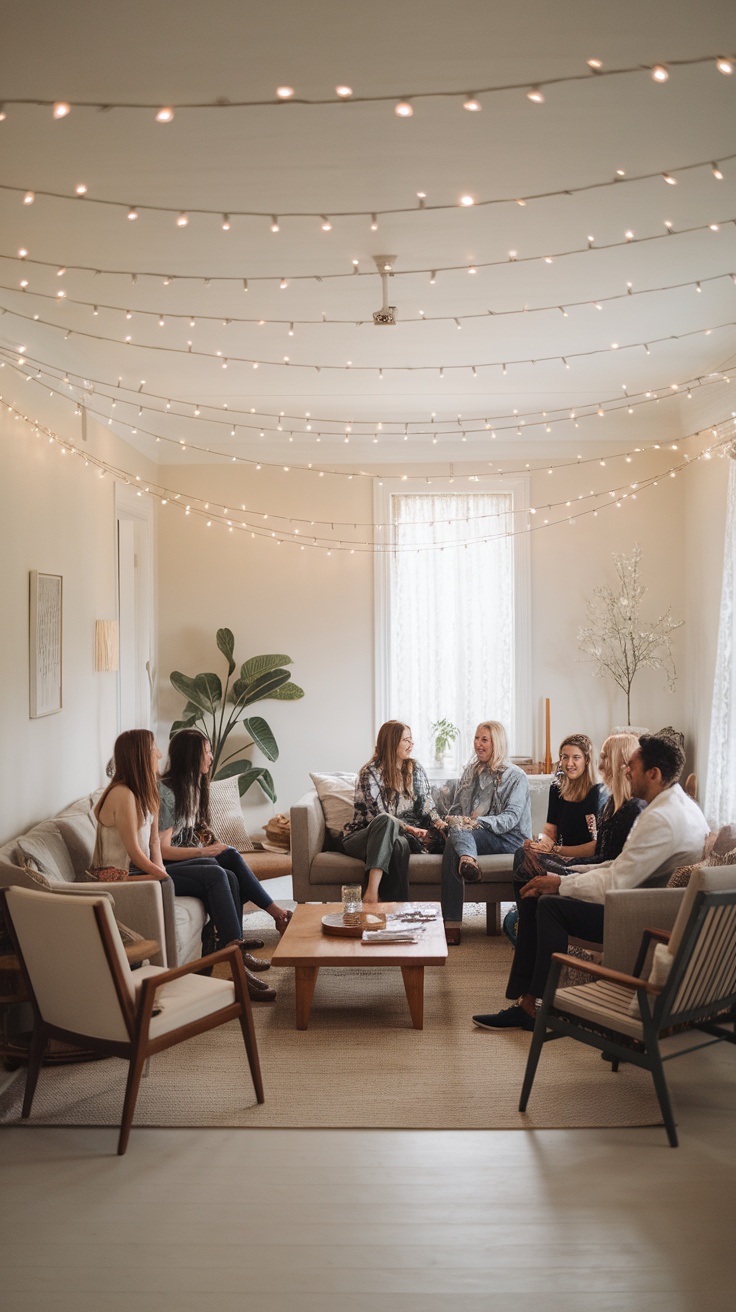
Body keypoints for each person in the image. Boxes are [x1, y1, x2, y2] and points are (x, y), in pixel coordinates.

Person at [472, 733, 710, 1032]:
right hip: (646, 904)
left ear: (654, 773)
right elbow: (618, 866)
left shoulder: (660, 817)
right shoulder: (681, 806)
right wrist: (564, 877)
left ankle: (535, 1008)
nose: (626, 771)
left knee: (547, 905)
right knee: (539, 894)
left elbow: (616, 880)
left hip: (638, 918)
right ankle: (528, 1003)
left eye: (632, 766)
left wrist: (560, 883)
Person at [157, 728, 294, 1001]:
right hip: (168, 865)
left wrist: (211, 845)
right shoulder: (168, 793)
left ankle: (240, 955)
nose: (210, 757)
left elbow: (198, 829)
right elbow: (161, 851)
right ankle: (254, 943)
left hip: (189, 857)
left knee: (230, 864)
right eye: (206, 752)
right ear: (191, 756)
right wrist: (204, 852)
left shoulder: (196, 785)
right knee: (221, 873)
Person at [441, 721, 531, 945]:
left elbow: (511, 819)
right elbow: (456, 809)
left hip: (510, 838)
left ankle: (451, 925)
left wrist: (475, 822)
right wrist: (450, 820)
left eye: (484, 740)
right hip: (475, 834)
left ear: (496, 744)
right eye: (476, 738)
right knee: (455, 833)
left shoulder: (516, 776)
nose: (478, 744)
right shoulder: (471, 772)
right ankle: (467, 859)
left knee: (458, 834)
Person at [340, 720, 447, 903]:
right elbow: (378, 816)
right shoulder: (370, 772)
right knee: (386, 822)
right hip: (365, 836)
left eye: (411, 740)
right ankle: (372, 893)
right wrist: (412, 829)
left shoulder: (415, 769)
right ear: (392, 742)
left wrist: (438, 822)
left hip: (400, 836)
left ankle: (395, 910)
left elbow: (426, 803)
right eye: (406, 740)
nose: (411, 744)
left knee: (399, 845)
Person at [513, 733, 606, 876]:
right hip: (560, 856)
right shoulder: (556, 789)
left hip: (585, 862)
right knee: (523, 853)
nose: (569, 764)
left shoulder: (597, 791)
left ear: (587, 760)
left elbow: (595, 847)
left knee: (530, 863)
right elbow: (550, 832)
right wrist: (540, 844)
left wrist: (555, 850)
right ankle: (534, 897)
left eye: (576, 757)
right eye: (564, 757)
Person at [93, 729, 168, 881]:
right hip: (119, 875)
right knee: (213, 877)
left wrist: (161, 869)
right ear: (141, 757)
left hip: (140, 870)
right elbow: (134, 851)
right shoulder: (122, 793)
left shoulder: (149, 792)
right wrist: (161, 877)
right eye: (155, 750)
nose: (159, 755)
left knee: (213, 870)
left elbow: (154, 841)